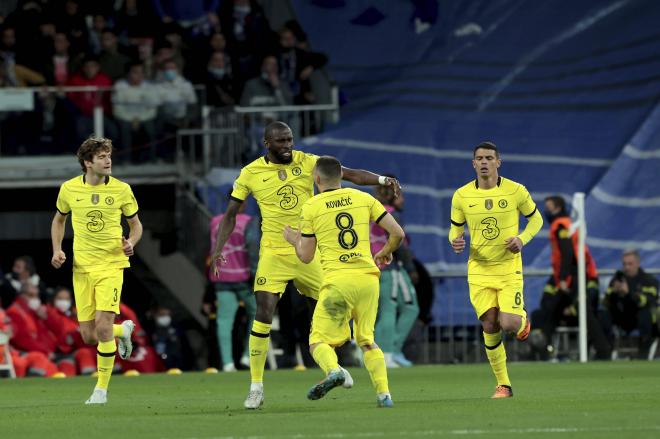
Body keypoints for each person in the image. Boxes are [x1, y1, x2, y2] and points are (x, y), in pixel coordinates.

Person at [211, 121, 400, 409]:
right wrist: (218, 249)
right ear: (267, 144)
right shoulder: (250, 173)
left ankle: (335, 368)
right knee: (263, 311)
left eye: (289, 140)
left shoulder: (307, 162)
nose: (287, 145)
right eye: (281, 141)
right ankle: (256, 387)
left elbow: (348, 174)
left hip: (308, 250)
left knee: (328, 311)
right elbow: (231, 214)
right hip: (274, 253)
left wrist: (383, 180)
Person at [284, 155, 404, 407]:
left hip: (339, 283)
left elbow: (305, 257)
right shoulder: (364, 198)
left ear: (317, 179)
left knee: (318, 341)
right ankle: (384, 395)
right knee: (367, 340)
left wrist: (294, 239)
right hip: (368, 280)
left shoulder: (312, 207)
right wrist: (384, 251)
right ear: (340, 177)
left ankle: (334, 371)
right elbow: (397, 233)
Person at [51, 136, 142, 404]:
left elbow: (136, 225)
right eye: (102, 157)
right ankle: (122, 331)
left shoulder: (122, 190)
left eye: (109, 155)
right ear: (88, 162)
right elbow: (58, 220)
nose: (108, 160)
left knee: (102, 329)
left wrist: (131, 243)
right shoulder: (68, 189)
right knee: (89, 336)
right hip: (82, 268)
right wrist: (57, 249)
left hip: (112, 265)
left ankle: (100, 390)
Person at [448, 141, 543, 398]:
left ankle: (522, 320)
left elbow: (536, 219)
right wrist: (455, 239)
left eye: (489, 158)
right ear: (473, 163)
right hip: (478, 269)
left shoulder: (516, 191)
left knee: (509, 322)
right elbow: (455, 228)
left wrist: (522, 239)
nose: (484, 162)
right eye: (479, 158)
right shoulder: (462, 195)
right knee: (489, 323)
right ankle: (504, 384)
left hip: (508, 267)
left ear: (498, 162)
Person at [530, 195, 610, 359]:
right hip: (575, 273)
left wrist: (563, 279)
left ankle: (604, 351)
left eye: (549, 207)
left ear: (558, 208)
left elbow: (567, 253)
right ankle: (542, 347)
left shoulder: (561, 226)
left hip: (572, 275)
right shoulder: (568, 224)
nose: (546, 211)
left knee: (585, 313)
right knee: (554, 309)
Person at [371, 181, 419, 368]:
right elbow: (399, 243)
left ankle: (379, 352)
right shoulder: (391, 214)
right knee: (399, 309)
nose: (403, 199)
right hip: (389, 267)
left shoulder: (370, 211)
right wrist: (411, 268)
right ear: (392, 195)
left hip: (372, 265)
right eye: (401, 194)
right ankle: (390, 352)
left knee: (384, 310)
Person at [208, 200, 257, 372]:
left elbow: (212, 249)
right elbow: (253, 248)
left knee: (224, 321)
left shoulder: (215, 222)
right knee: (259, 315)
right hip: (245, 277)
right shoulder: (248, 221)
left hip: (222, 277)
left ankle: (227, 363)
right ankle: (248, 356)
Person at [603, 249, 658, 358]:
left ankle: (643, 356)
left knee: (646, 314)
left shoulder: (648, 279)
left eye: (630, 264)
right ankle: (604, 353)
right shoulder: (618, 278)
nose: (627, 267)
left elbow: (647, 301)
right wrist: (615, 292)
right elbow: (606, 299)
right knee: (603, 314)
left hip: (639, 317)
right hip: (622, 316)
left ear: (638, 263)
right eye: (624, 264)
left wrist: (629, 294)